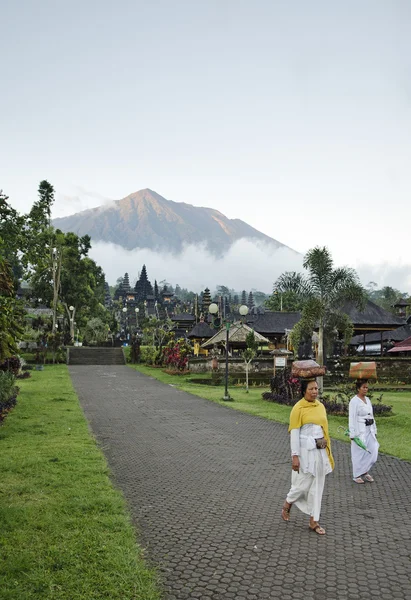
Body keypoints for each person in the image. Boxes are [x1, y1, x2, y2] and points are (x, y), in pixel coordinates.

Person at [281, 378, 334, 535]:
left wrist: (324, 444)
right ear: (303, 391)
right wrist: (295, 456)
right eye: (311, 389)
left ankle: (314, 521)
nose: (314, 391)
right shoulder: (298, 408)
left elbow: (324, 429)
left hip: (320, 451)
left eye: (316, 389)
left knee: (318, 485)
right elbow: (295, 434)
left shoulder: (321, 407)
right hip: (305, 452)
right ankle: (288, 502)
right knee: (303, 482)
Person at [348, 379, 379, 484]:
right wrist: (352, 433)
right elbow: (351, 417)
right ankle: (357, 474)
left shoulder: (368, 400)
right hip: (359, 430)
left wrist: (374, 429)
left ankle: (365, 470)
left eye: (367, 387)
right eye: (363, 387)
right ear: (358, 388)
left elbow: (372, 415)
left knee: (373, 450)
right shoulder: (354, 401)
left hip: (369, 428)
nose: (365, 389)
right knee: (359, 452)